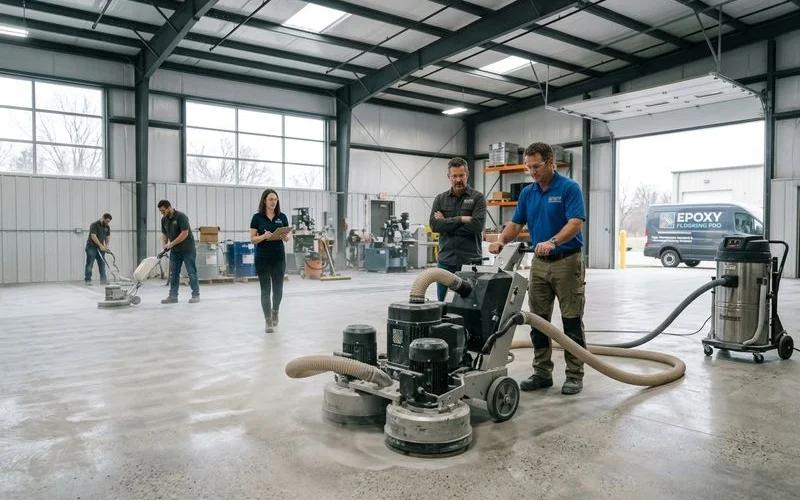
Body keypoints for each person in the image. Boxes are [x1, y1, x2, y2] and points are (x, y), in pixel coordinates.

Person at [488, 142, 587, 395]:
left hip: (567, 261)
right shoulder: (528, 193)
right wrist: (501, 240)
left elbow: (575, 223)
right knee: (538, 321)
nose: (533, 172)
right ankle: (542, 372)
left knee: (571, 320)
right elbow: (516, 223)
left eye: (537, 166)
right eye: (529, 167)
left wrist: (553, 241)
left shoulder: (569, 188)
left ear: (551, 162)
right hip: (540, 264)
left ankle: (574, 375)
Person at [429, 157, 487, 301]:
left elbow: (477, 226)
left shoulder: (478, 198)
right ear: (449, 177)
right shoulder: (440, 199)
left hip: (470, 262)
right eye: (454, 176)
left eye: (461, 175)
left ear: (467, 175)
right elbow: (435, 226)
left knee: (470, 305)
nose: (458, 180)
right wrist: (460, 219)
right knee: (442, 305)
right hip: (445, 262)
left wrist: (446, 224)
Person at [249, 189, 290, 333]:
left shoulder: (282, 217)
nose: (273, 202)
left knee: (278, 289)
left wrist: (285, 237)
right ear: (265, 201)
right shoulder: (257, 218)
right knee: (266, 289)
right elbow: (253, 239)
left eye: (275, 199)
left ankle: (275, 311)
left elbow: (286, 237)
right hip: (262, 258)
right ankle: (268, 321)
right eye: (271, 199)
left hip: (278, 257)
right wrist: (263, 236)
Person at [158, 200, 200, 304]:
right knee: (174, 274)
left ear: (169, 207)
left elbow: (184, 233)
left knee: (191, 272)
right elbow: (164, 234)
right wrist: (164, 245)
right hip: (175, 251)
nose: (162, 213)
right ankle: (173, 296)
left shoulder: (181, 217)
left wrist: (171, 244)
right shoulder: (164, 220)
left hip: (187, 249)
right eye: (161, 212)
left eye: (163, 211)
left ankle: (195, 295)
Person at [85, 213, 112, 285]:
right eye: (106, 221)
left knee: (102, 264)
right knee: (90, 264)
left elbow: (107, 237)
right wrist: (100, 245)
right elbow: (93, 236)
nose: (107, 223)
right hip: (91, 247)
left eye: (108, 221)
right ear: (103, 218)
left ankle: (103, 281)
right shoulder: (94, 225)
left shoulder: (107, 227)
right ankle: (88, 281)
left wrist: (106, 246)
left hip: (101, 248)